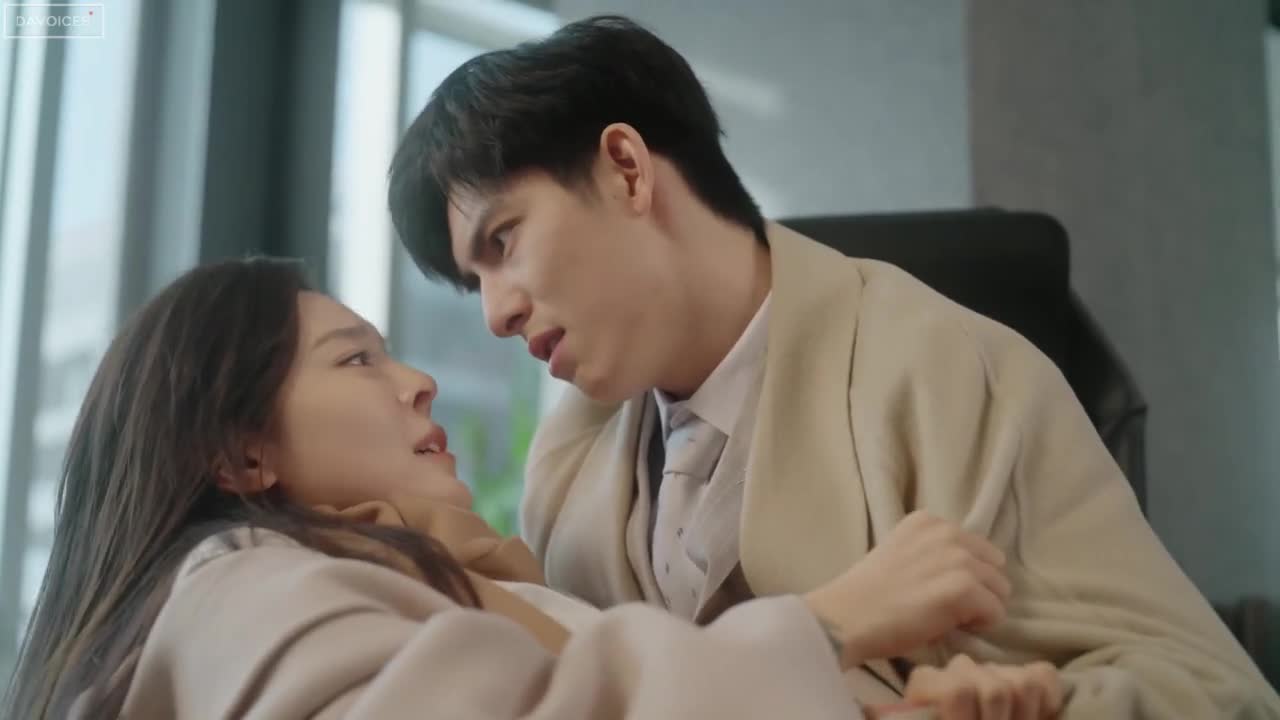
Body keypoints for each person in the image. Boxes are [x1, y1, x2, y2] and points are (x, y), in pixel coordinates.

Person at [387, 14, 1280, 719]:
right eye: (475, 282)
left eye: (503, 241)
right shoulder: (567, 465)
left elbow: (1214, 690)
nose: (497, 313)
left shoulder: (947, 371)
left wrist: (1037, 705)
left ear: (625, 169)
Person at [1, 258, 1057, 720]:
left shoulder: (438, 585)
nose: (419, 378)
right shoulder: (233, 587)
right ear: (240, 459)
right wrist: (823, 627)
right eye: (356, 360)